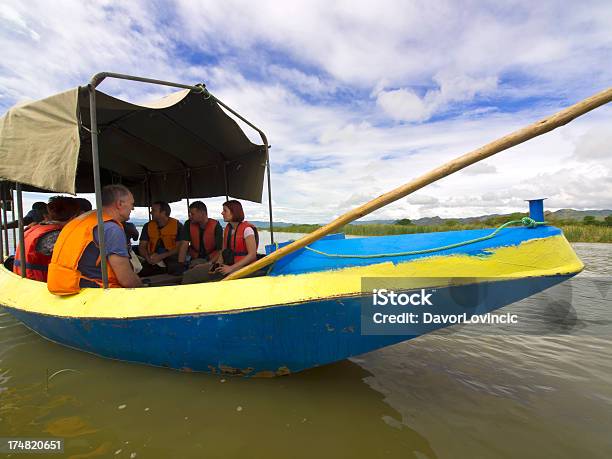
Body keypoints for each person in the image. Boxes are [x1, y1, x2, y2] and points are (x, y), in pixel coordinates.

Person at [47, 184, 143, 295]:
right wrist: (143, 288)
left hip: (65, 286)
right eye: (131, 204)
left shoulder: (81, 221)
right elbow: (126, 280)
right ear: (120, 204)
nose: (133, 208)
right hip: (92, 291)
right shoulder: (111, 229)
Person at [13, 196, 80, 282]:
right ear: (74, 216)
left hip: (21, 278)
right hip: (39, 283)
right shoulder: (57, 235)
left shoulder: (34, 228)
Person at [178, 201, 223, 283]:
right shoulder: (188, 224)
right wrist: (180, 264)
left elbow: (221, 250)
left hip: (212, 260)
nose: (190, 216)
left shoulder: (216, 226)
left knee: (191, 273)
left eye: (192, 214)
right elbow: (184, 245)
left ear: (202, 213)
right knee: (189, 269)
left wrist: (209, 263)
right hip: (195, 259)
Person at [215, 200, 259, 276]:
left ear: (233, 212)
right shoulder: (227, 229)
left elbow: (252, 255)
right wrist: (217, 265)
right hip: (230, 265)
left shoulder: (247, 230)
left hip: (245, 268)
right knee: (200, 270)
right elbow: (223, 251)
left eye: (225, 210)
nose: (222, 213)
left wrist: (231, 268)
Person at [138, 201, 183, 276]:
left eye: (154, 210)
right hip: (152, 258)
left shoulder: (178, 226)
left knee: (176, 269)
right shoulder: (147, 226)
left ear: (163, 212)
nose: (151, 212)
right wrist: (148, 258)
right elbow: (142, 246)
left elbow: (180, 248)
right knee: (142, 272)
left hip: (171, 258)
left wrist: (161, 256)